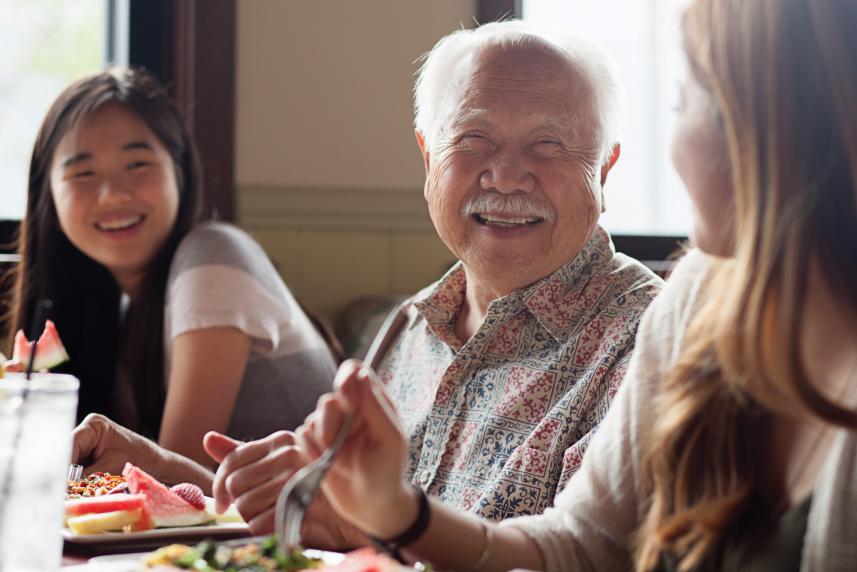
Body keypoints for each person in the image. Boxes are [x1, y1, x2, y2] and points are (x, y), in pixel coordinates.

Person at [287, 0, 857, 569]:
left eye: (685, 104)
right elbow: (584, 545)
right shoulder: (697, 306)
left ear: (780, 135)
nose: (506, 175)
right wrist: (385, 511)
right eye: (473, 139)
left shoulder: (641, 323)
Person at [70, 20, 663, 542]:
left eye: (549, 145)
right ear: (429, 158)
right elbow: (315, 512)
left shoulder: (648, 340)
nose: (506, 176)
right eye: (473, 139)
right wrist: (159, 468)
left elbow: (585, 556)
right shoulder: (408, 327)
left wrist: (382, 534)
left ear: (605, 169)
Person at [12, 68, 336, 470]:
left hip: (300, 531)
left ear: (178, 171)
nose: (113, 194)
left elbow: (171, 483)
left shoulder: (213, 255)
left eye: (137, 164)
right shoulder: (119, 312)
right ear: (50, 197)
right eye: (83, 173)